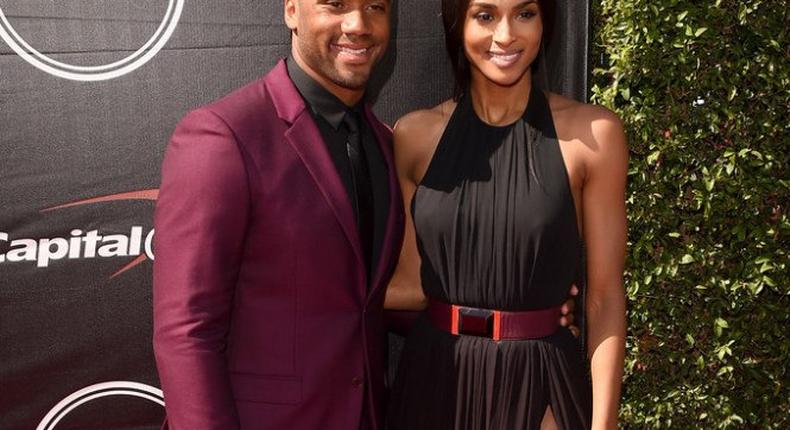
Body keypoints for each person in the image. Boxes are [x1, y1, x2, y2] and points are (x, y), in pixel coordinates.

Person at [152, 1, 402, 429]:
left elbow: (373, 300)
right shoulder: (223, 135)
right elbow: (186, 333)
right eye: (335, 5)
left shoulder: (385, 143)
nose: (358, 24)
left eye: (375, 6)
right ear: (291, 10)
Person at [384, 0, 628, 429]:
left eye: (525, 14)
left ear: (545, 22)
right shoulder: (414, 136)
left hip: (540, 379)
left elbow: (605, 297)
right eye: (485, 16)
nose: (505, 35)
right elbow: (410, 285)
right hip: (436, 378)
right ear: (458, 25)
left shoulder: (593, 136)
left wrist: (604, 425)